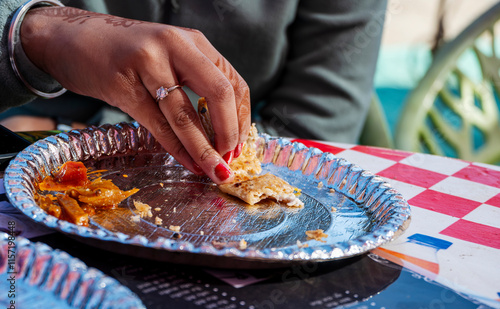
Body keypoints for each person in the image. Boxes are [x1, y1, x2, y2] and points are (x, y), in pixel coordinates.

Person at [0, 0, 387, 184]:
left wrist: (86, 130)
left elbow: (315, 129)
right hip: (28, 151)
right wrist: (35, 32)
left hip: (214, 213)